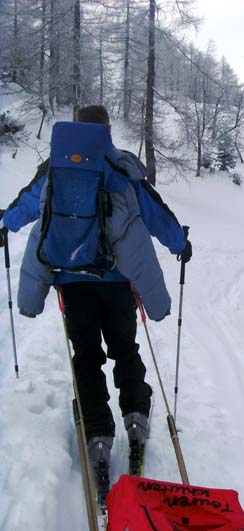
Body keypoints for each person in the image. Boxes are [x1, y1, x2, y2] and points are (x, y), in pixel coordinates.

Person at [0, 105, 192, 495]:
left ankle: (98, 437)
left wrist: (4, 222)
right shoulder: (120, 166)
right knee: (125, 348)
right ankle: (136, 417)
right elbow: (155, 213)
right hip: (118, 282)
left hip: (72, 283)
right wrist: (181, 243)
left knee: (86, 357)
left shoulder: (55, 167)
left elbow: (25, 207)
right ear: (105, 129)